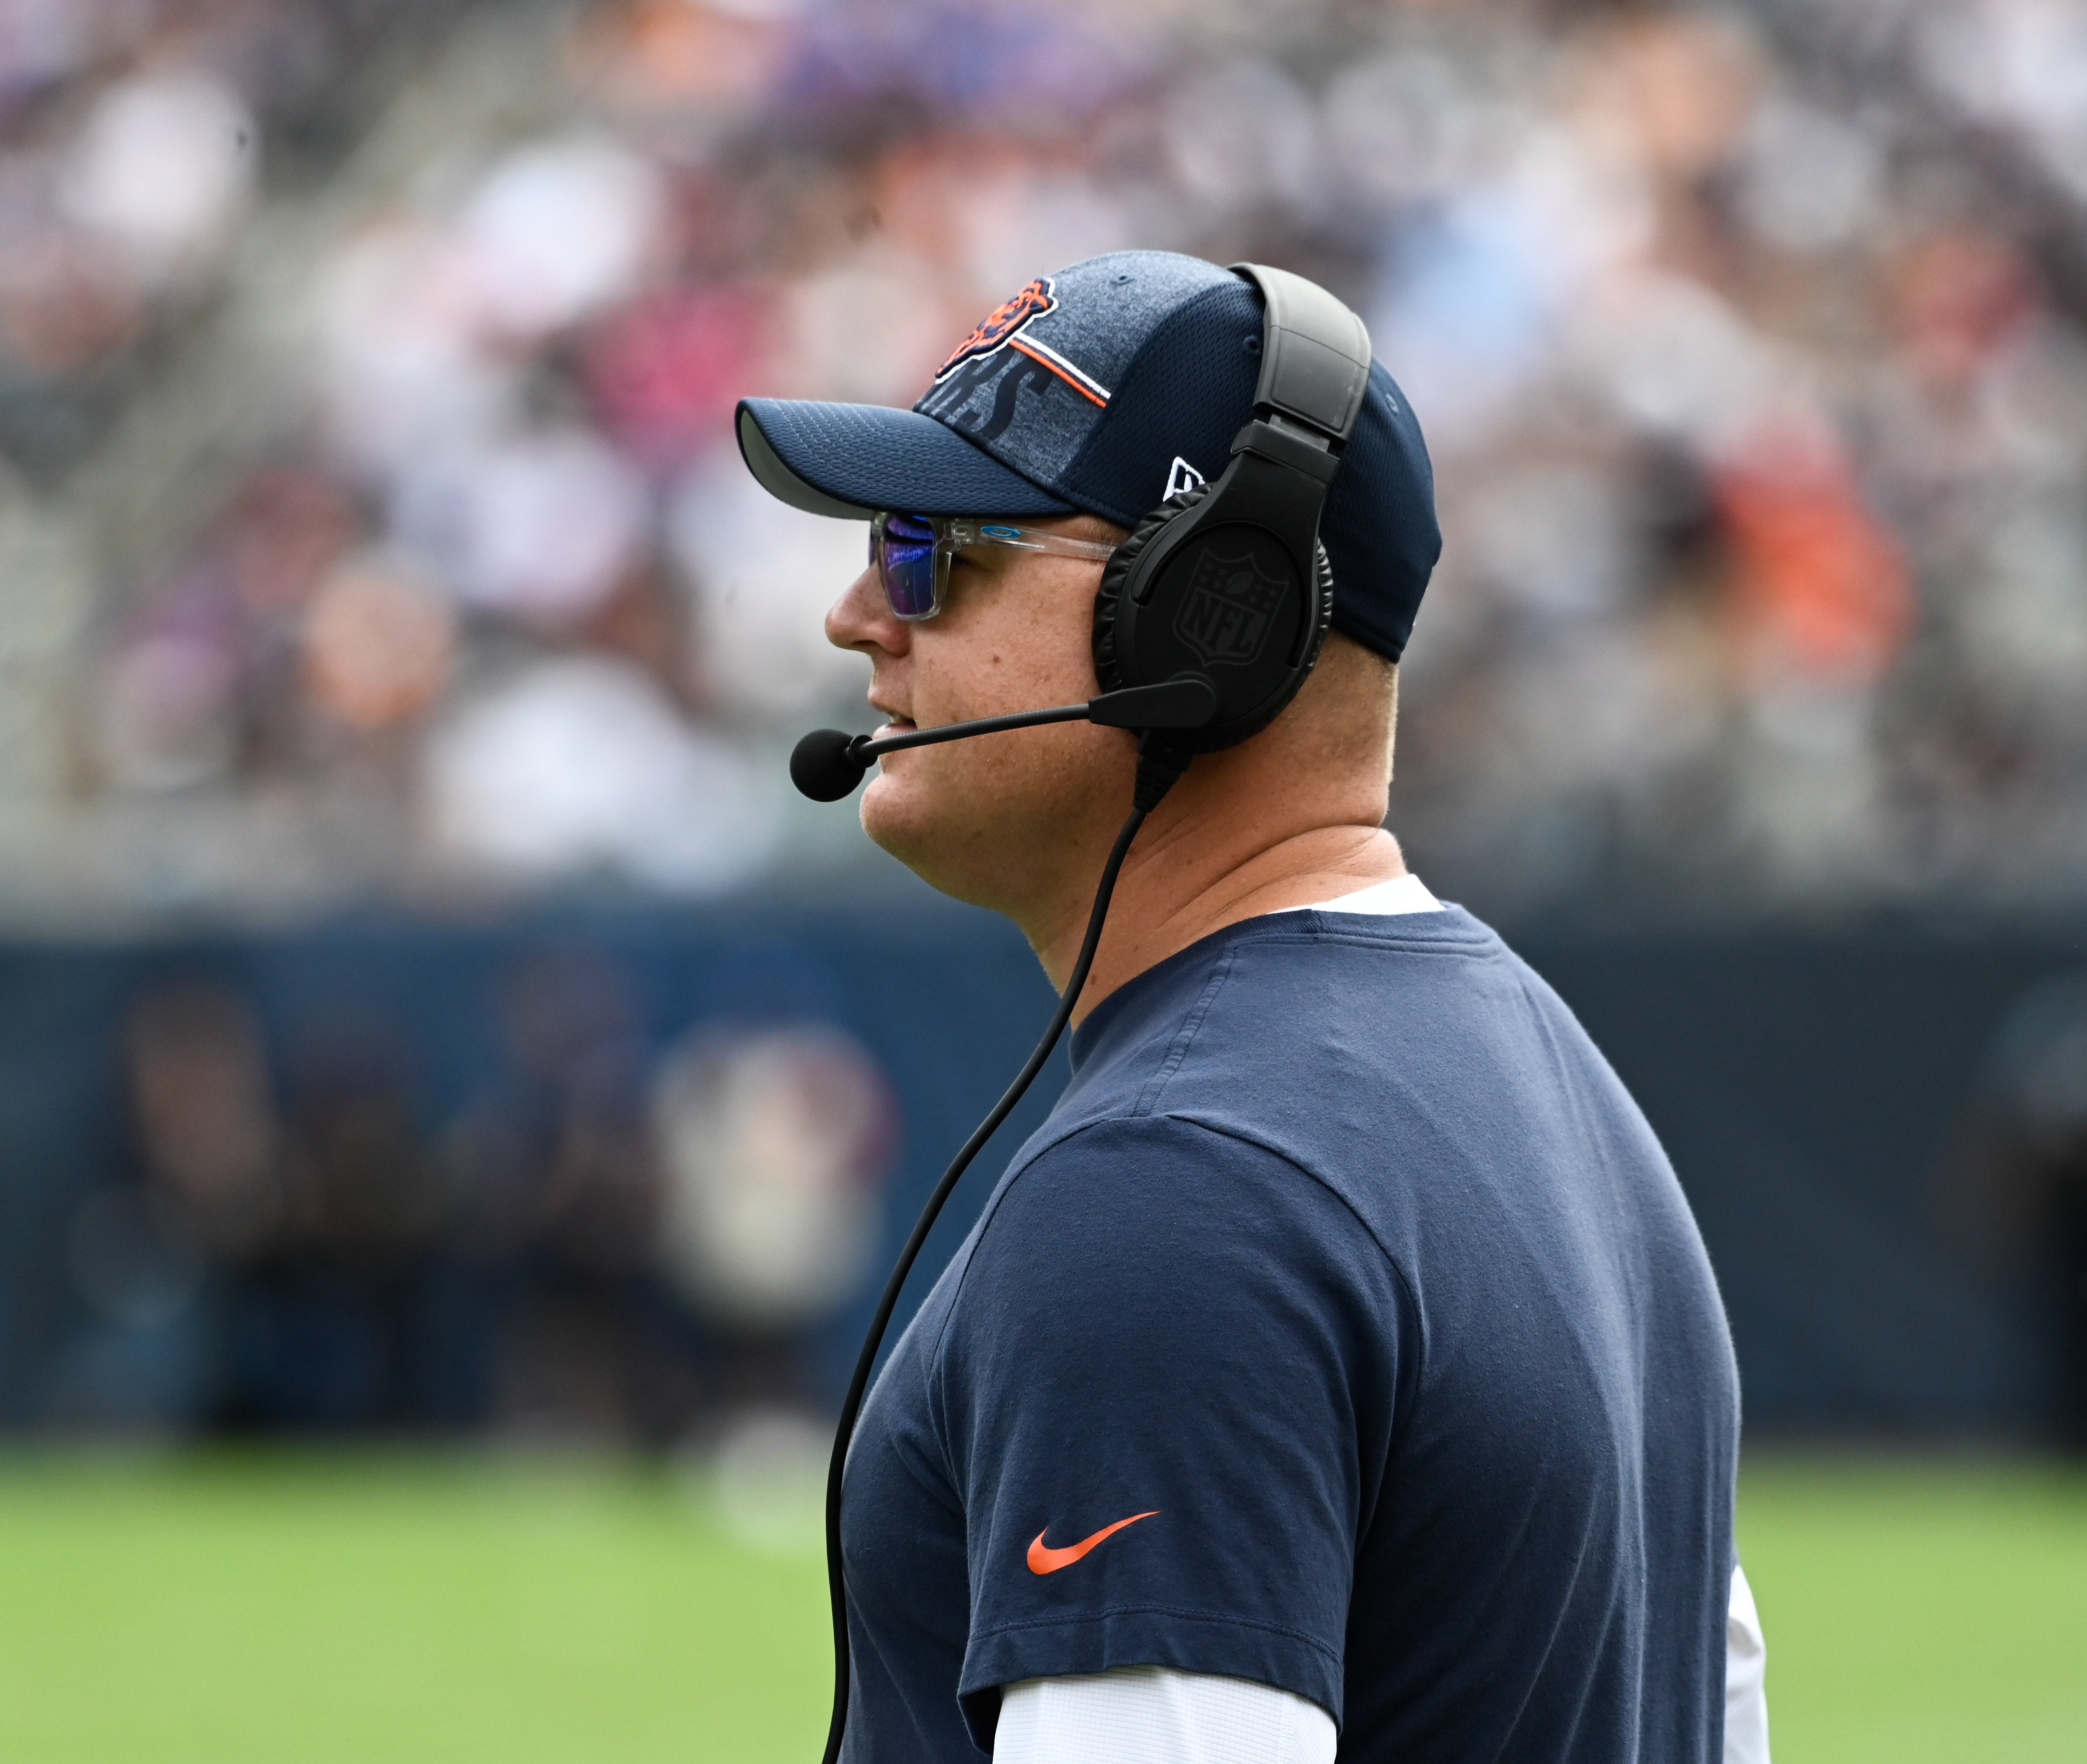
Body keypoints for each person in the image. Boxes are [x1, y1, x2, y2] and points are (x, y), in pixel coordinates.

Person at [734, 251, 1767, 1763]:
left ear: (1208, 614)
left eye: (930, 547)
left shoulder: (1174, 1187)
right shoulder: (1566, 1093)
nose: (855, 615)